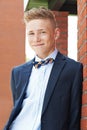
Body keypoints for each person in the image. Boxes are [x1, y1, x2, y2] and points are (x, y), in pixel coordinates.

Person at [4, 7, 83, 130]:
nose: (36, 39)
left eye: (42, 32)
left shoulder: (72, 69)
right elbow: (18, 108)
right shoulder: (17, 73)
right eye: (31, 33)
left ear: (55, 34)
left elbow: (74, 116)